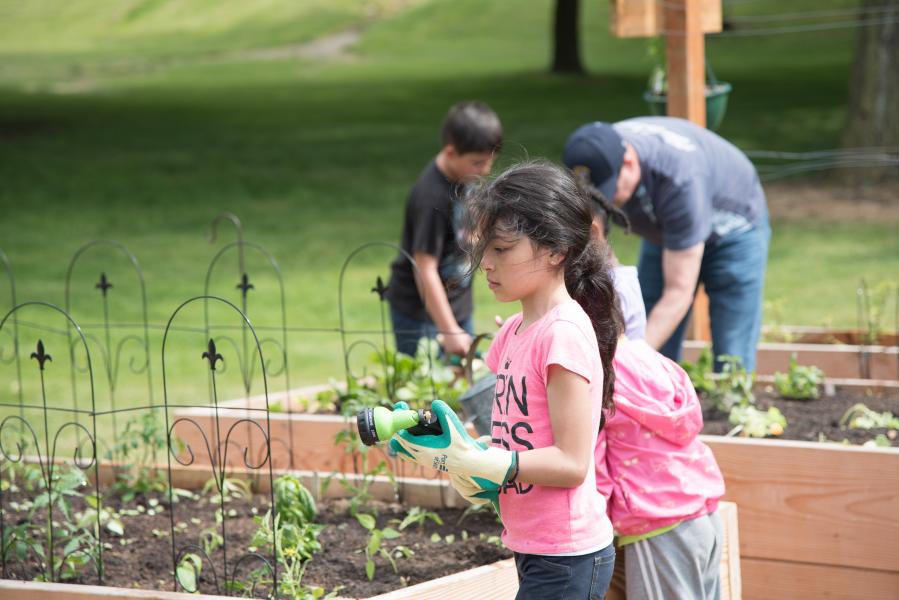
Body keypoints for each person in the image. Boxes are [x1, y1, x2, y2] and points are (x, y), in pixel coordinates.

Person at [390, 162, 621, 599]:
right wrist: (455, 450)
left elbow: (572, 464)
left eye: (502, 250)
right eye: (485, 249)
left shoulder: (562, 336)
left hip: (570, 554)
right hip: (534, 544)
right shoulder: (513, 333)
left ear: (556, 251)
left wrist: (494, 464)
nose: (487, 265)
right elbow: (514, 435)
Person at [563, 116, 770, 371]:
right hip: (667, 228)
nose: (607, 203)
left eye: (609, 191)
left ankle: (733, 404)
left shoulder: (678, 179)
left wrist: (628, 361)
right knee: (649, 324)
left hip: (733, 229)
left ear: (628, 162)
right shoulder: (599, 148)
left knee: (732, 347)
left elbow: (678, 293)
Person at [595, 283, 726, 600]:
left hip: (658, 527)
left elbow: (593, 464)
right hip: (703, 514)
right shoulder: (653, 359)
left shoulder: (601, 377)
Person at [385, 101, 503, 358]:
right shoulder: (431, 197)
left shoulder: (465, 176)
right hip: (422, 316)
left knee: (462, 385)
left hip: (458, 307)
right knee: (425, 390)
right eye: (478, 163)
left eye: (489, 161)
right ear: (451, 153)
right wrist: (448, 329)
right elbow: (424, 268)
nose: (486, 170)